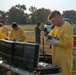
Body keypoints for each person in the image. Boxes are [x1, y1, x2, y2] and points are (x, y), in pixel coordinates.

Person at [47, 10, 73, 75]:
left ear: (58, 17)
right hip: (56, 60)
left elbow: (68, 42)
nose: (52, 23)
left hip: (64, 61)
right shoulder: (56, 28)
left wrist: (56, 42)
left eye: (53, 21)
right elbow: (50, 35)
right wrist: (49, 38)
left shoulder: (67, 26)